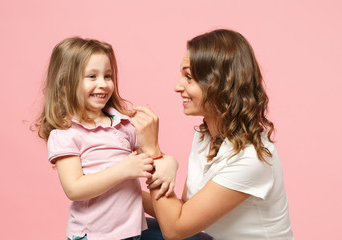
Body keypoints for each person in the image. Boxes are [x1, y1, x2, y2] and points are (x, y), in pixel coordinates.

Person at [132, 29, 294, 239]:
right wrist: (120, 191)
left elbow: (176, 228)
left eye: (189, 77)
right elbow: (182, 209)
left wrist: (153, 151)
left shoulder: (251, 158)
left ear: (220, 84)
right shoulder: (205, 135)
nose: (177, 86)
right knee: (130, 226)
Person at [35, 37, 174, 240]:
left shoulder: (123, 124)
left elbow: (152, 155)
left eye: (107, 76)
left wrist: (170, 163)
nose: (103, 84)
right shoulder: (65, 133)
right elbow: (74, 189)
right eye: (92, 76)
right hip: (95, 235)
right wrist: (123, 170)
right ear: (65, 83)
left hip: (133, 231)